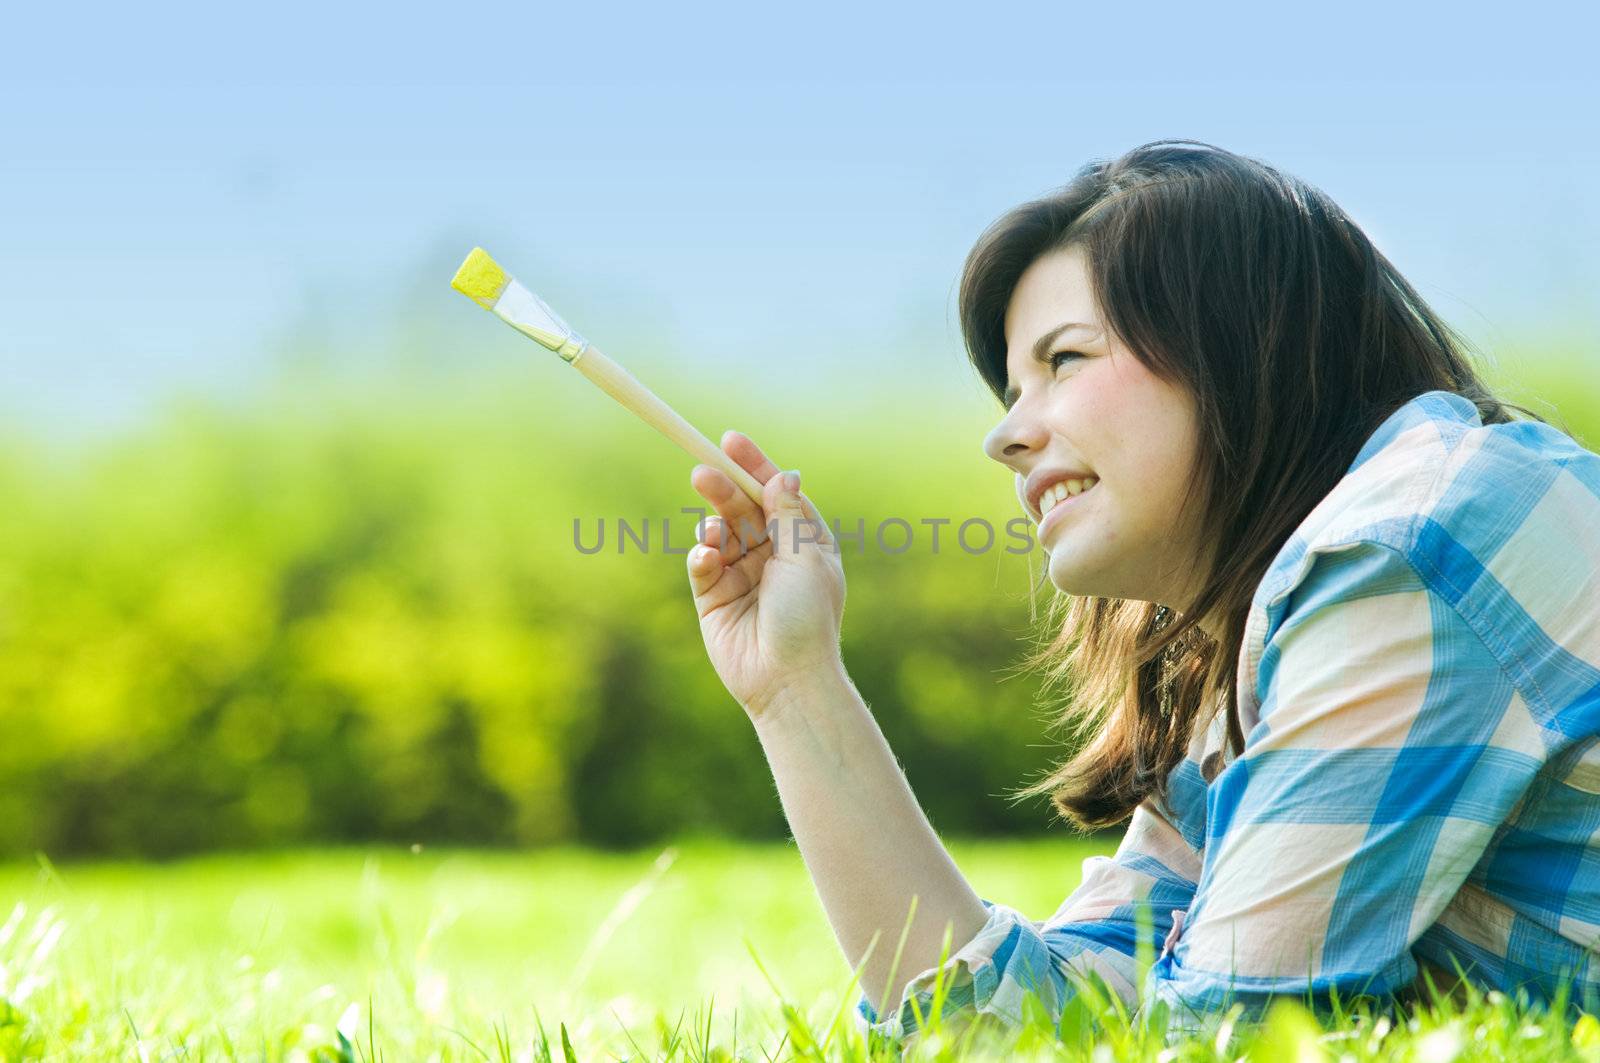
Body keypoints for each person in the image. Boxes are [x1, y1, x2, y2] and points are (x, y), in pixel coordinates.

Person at [681, 139, 1600, 1042]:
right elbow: (1029, 1030)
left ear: (1237, 341)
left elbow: (1225, 1032)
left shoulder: (1410, 545)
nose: (1004, 437)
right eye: (1011, 391)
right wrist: (796, 689)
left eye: (1065, 360)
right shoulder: (1268, 650)